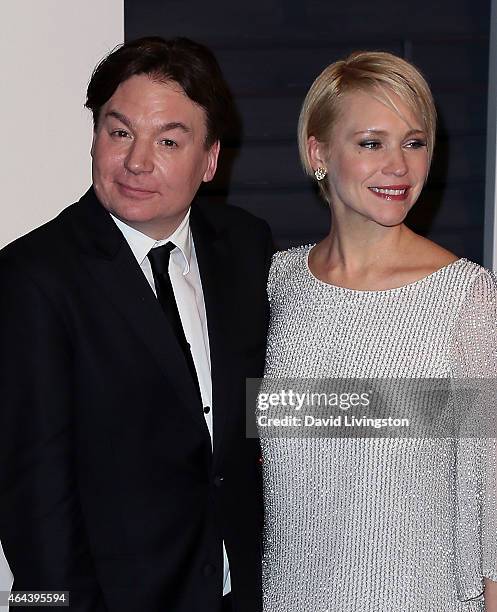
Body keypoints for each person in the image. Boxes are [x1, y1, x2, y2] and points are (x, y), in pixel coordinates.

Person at [0, 37, 272, 612]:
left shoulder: (246, 247)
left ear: (211, 159)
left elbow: (261, 414)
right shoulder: (33, 276)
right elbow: (31, 495)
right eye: (119, 132)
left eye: (168, 141)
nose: (137, 162)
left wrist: (442, 411)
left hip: (239, 591)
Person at [260, 51, 497, 611]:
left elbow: (488, 484)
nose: (399, 166)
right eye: (371, 142)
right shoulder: (280, 282)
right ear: (318, 152)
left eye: (414, 143)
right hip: (290, 596)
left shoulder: (464, 295)